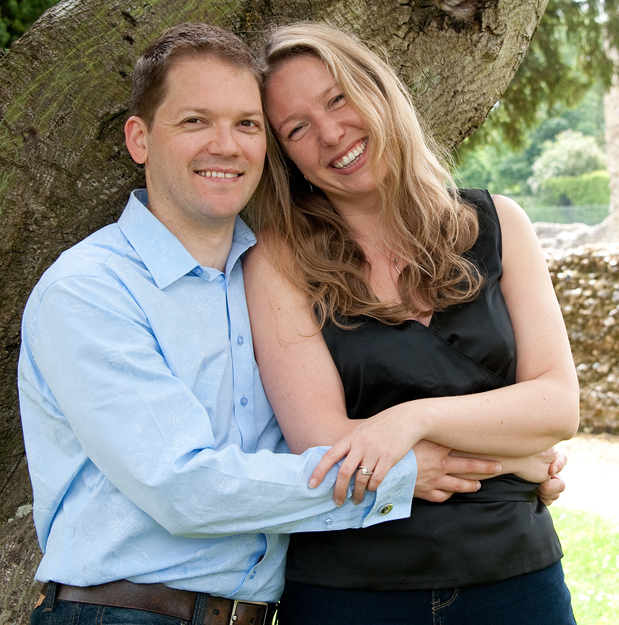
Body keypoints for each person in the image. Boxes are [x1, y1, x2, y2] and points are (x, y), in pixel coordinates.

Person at [17, 23, 506, 625]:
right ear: (139, 139)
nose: (226, 145)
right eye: (195, 121)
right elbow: (183, 489)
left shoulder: (273, 280)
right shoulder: (90, 291)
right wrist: (400, 473)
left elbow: (332, 423)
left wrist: (503, 450)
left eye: (247, 124)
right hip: (124, 611)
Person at [244, 22, 580, 624]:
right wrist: (515, 455)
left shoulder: (501, 224)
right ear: (284, 156)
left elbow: (557, 407)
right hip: (350, 590)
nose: (329, 134)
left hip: (515, 577)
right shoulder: (279, 261)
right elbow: (324, 446)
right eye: (296, 129)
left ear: (377, 90)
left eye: (338, 99)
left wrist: (409, 420)